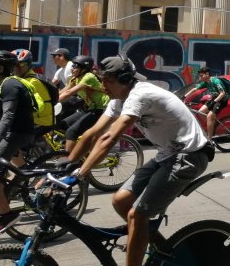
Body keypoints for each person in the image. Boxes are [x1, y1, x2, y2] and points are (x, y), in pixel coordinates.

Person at [64, 56, 212, 266]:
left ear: (125, 79)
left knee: (137, 215)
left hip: (189, 155)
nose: (103, 85)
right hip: (166, 155)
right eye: (102, 79)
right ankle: (161, 247)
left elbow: (109, 137)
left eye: (108, 81)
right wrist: (67, 167)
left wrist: (79, 174)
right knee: (120, 201)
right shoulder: (118, 100)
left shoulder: (140, 95)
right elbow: (92, 134)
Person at [0, 51, 36, 233]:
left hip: (18, 133)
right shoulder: (0, 84)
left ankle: (6, 215)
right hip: (11, 132)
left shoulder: (10, 85)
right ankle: (6, 188)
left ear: (0, 68)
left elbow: (8, 115)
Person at [57, 55, 109, 152]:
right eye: (72, 66)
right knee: (62, 125)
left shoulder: (88, 77)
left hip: (100, 109)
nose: (72, 69)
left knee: (71, 132)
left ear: (84, 68)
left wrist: (52, 103)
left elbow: (69, 93)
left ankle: (70, 160)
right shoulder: (75, 78)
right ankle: (78, 148)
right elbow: (63, 91)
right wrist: (47, 99)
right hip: (89, 108)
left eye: (75, 66)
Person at [11, 49, 56, 136]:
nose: (17, 67)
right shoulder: (22, 79)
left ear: (28, 65)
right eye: (14, 64)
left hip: (41, 121)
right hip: (33, 118)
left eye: (21, 64)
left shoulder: (31, 82)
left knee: (14, 138)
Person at [183, 67, 229, 138]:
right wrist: (184, 97)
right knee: (200, 112)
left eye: (202, 76)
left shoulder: (216, 81)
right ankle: (212, 125)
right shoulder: (205, 82)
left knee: (209, 116)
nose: (200, 77)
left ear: (207, 74)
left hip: (222, 100)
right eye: (200, 76)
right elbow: (195, 89)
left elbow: (222, 93)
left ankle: (209, 139)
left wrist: (214, 102)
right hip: (214, 99)